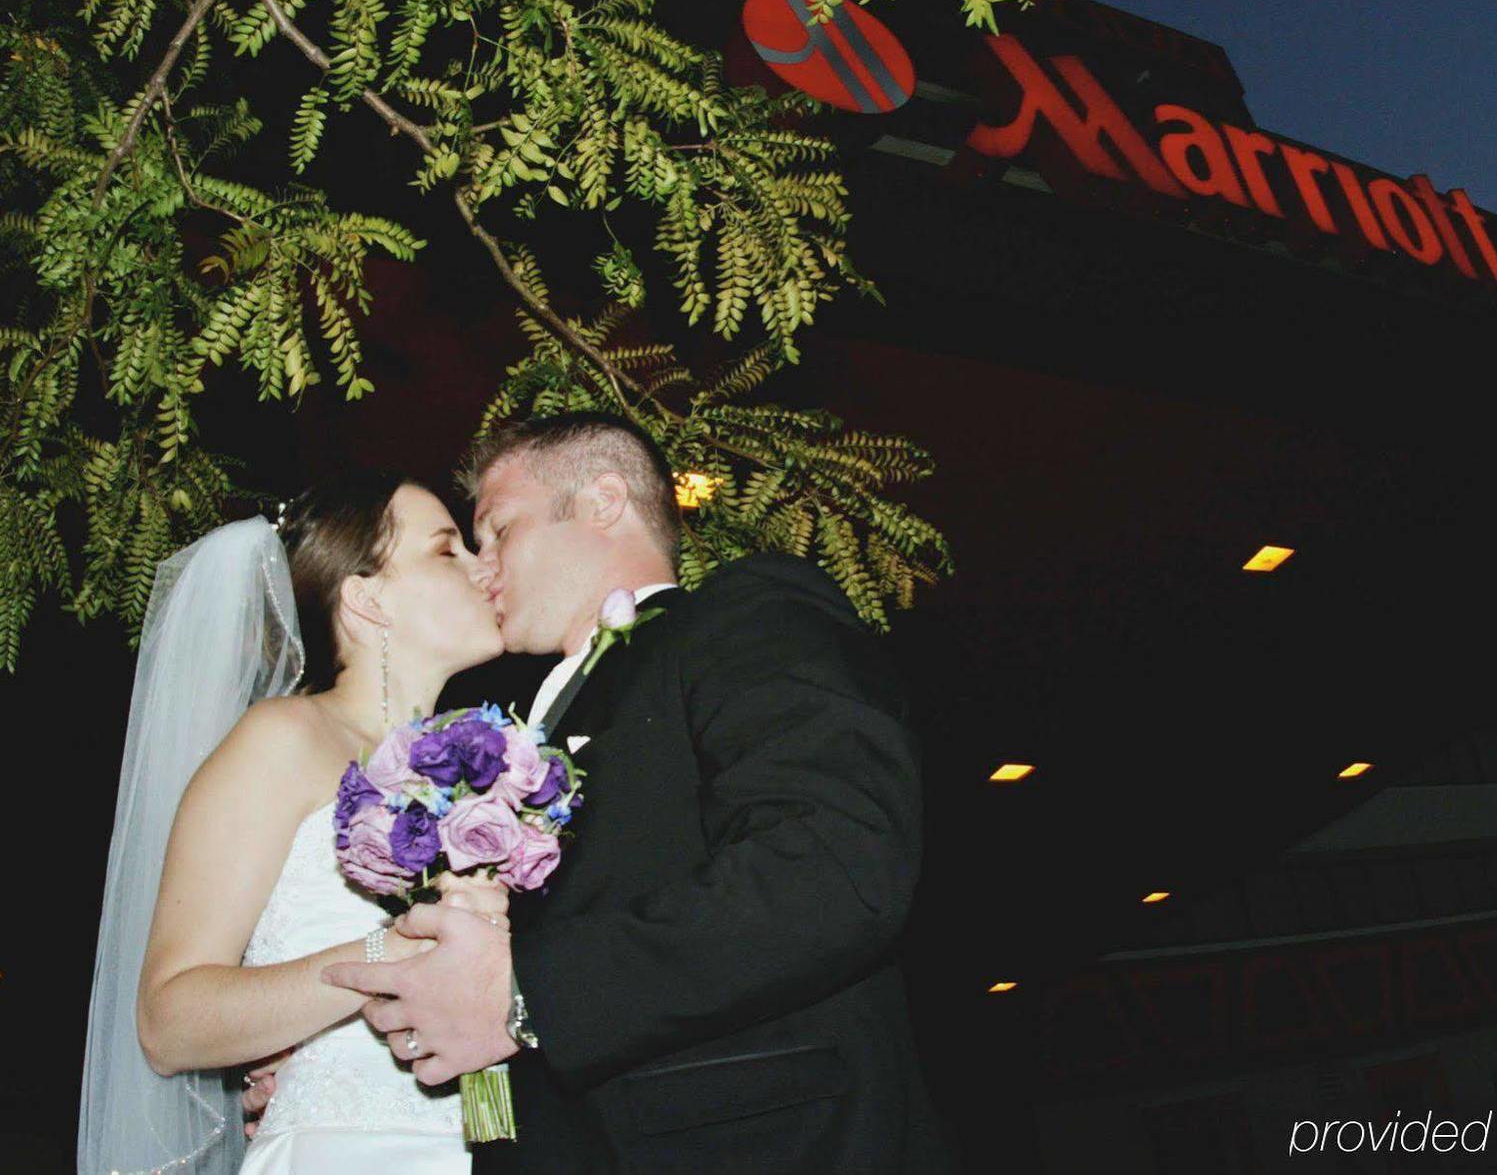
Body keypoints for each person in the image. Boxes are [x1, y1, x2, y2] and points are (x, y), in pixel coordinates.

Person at [317, 413, 956, 1173]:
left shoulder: (745, 616)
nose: (483, 567)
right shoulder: (510, 734)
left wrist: (526, 996)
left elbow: (836, 861)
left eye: (499, 531)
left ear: (603, 502)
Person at [77, 473, 509, 1174]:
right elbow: (169, 1021)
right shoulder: (285, 739)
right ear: (368, 600)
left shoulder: (488, 770)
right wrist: (388, 954)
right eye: (446, 551)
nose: (482, 566)